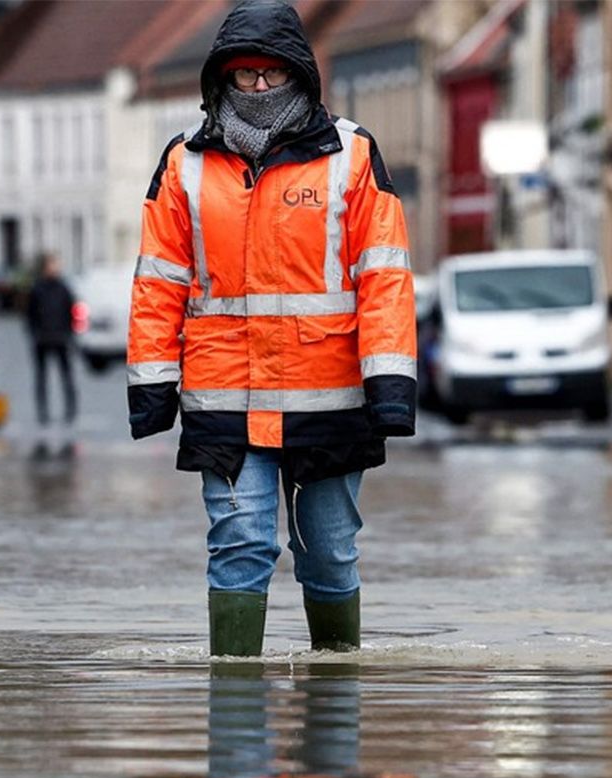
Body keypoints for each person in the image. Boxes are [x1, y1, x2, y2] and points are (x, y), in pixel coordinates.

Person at [126, 0, 417, 657]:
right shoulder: (184, 166)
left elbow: (385, 279)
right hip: (225, 399)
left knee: (330, 552)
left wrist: (392, 385)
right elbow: (157, 285)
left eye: (271, 75)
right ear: (220, 80)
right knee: (240, 541)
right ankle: (235, 734)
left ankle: (332, 724)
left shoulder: (352, 156)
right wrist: (151, 387)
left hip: (331, 399)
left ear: (300, 76)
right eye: (244, 75)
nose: (257, 87)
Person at [25, 253, 78, 427]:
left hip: (61, 338)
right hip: (42, 339)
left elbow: (72, 311)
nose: (55, 268)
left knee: (66, 376)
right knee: (42, 377)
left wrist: (69, 333)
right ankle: (43, 411)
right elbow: (29, 314)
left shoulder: (63, 288)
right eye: (52, 265)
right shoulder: (37, 289)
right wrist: (35, 334)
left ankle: (71, 409)